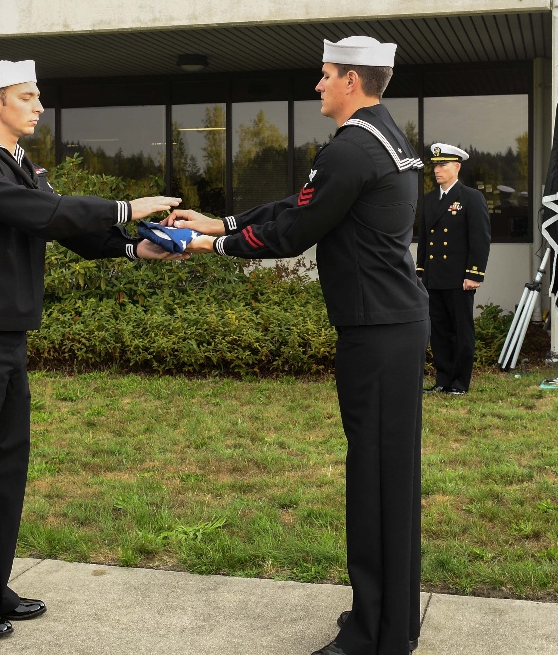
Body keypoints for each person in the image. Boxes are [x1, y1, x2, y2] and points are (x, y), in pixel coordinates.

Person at [166, 37, 428, 655]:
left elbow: (297, 230)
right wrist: (224, 221)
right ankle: (388, 619)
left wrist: (208, 246)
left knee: (376, 481)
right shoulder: (382, 137)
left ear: (352, 82)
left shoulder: (353, 147)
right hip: (387, 327)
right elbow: (302, 203)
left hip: (376, 332)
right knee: (390, 479)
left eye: (326, 75)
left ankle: (374, 635)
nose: (317, 85)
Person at [0, 59, 183, 640]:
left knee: (4, 466)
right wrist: (127, 208)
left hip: (6, 334)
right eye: (27, 96)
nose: (39, 106)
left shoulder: (19, 166)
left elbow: (64, 224)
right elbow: (43, 213)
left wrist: (131, 248)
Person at [417, 143, 491, 395]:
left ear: (457, 167)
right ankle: (443, 379)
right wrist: (421, 272)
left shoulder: (471, 197)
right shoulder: (429, 200)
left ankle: (460, 382)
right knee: (439, 331)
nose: (437, 170)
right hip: (435, 277)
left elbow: (480, 239)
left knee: (461, 331)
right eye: (435, 165)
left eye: (443, 165)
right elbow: (425, 241)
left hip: (460, 279)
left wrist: (474, 274)